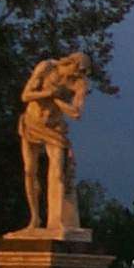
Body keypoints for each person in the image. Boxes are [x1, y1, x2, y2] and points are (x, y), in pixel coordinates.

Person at [18, 53, 90, 231]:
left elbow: (76, 112)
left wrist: (57, 100)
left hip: (54, 127)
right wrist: (49, 92)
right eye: (78, 69)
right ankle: (34, 218)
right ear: (71, 62)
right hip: (32, 123)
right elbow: (26, 96)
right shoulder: (47, 67)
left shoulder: (79, 83)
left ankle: (57, 219)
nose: (78, 75)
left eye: (82, 72)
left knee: (58, 171)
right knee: (29, 170)